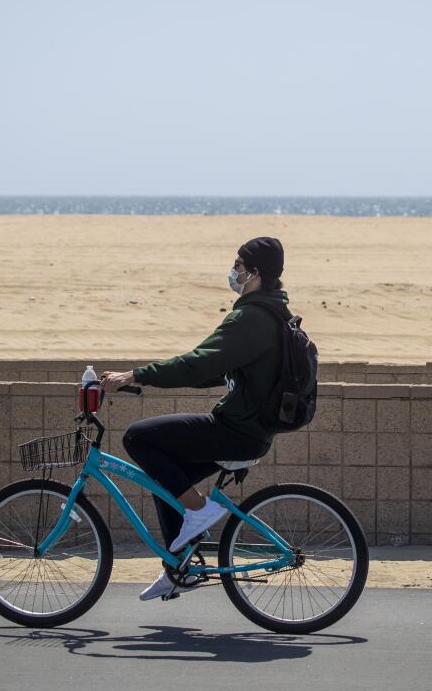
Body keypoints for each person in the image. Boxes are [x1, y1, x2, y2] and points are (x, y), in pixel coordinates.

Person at [99, 236, 292, 601]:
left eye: (238, 265)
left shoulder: (251, 317)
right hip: (249, 428)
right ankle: (178, 568)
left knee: (138, 437)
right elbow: (212, 371)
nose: (233, 272)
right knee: (167, 481)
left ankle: (201, 510)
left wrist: (137, 374)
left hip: (238, 430)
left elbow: (197, 363)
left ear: (254, 273)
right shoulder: (270, 312)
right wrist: (146, 376)